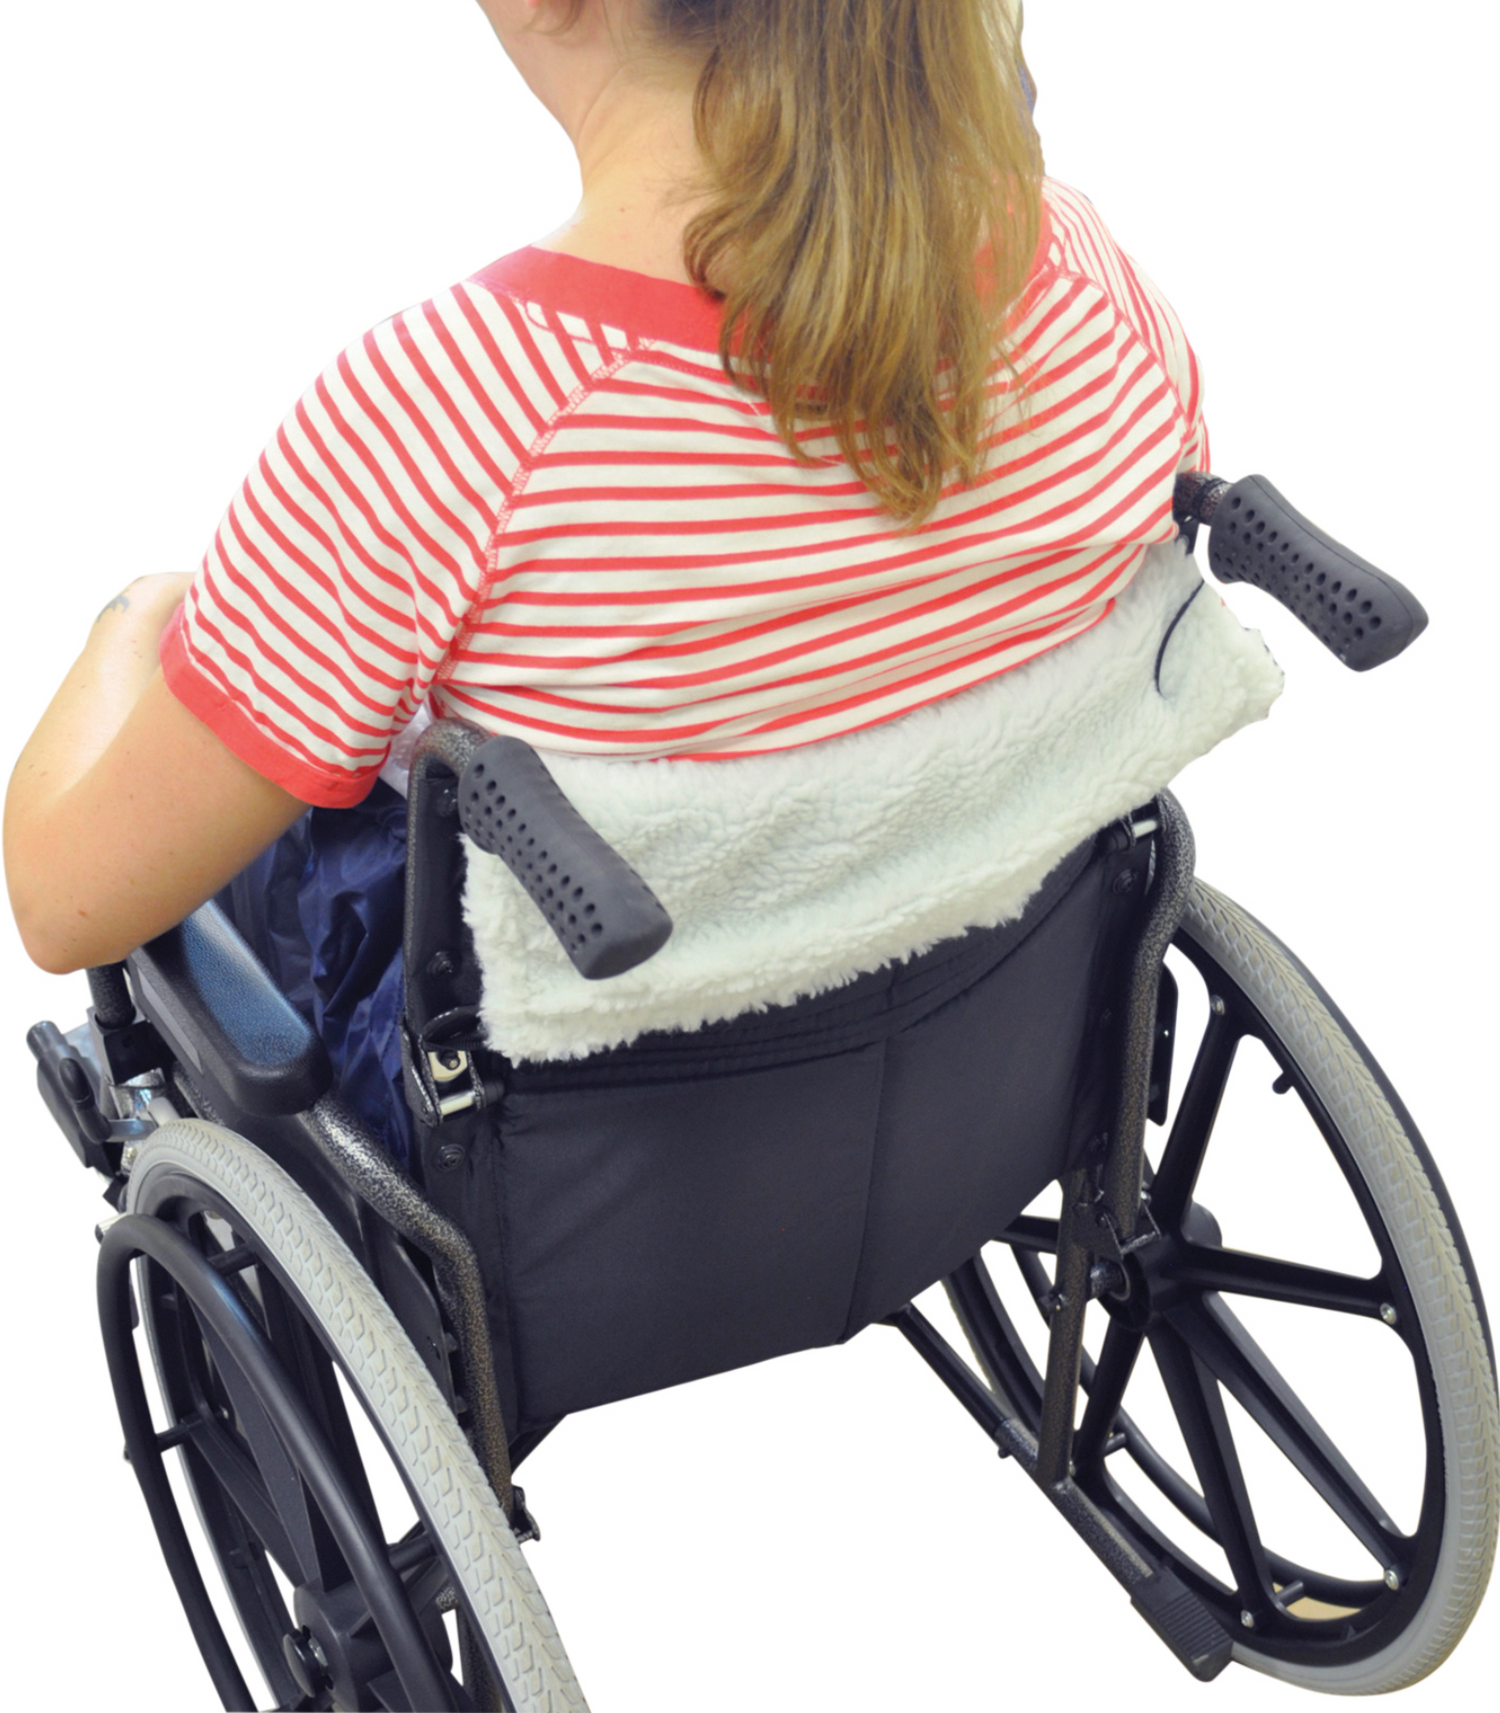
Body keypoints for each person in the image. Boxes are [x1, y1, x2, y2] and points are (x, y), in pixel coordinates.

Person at [5, 0, 1264, 1155]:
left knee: (273, 789)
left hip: (597, 1173)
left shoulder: (454, 418)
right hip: (992, 1069)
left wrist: (137, 621)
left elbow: (63, 909)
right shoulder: (1075, 276)